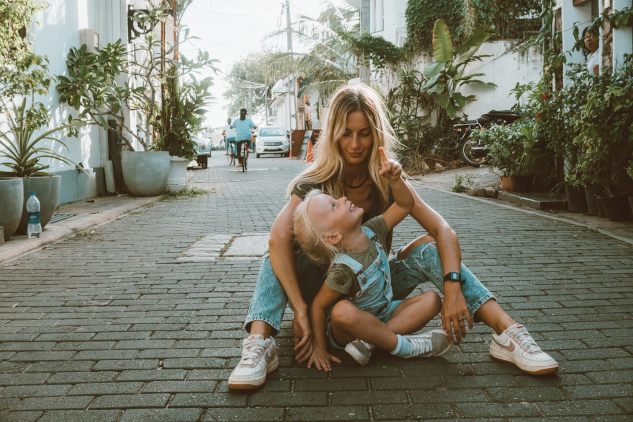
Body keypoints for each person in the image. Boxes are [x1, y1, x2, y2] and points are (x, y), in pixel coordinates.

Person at [227, 84, 558, 391]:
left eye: (364, 134)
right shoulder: (315, 184)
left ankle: (508, 333)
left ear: (376, 135)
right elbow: (275, 240)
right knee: (276, 251)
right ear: (333, 136)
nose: (355, 144)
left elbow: (443, 230)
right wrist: (300, 309)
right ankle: (260, 344)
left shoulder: (388, 179)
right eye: (346, 134)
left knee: (429, 248)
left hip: (373, 287)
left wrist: (452, 287)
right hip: (323, 294)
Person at [294, 147, 451, 371]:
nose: (343, 198)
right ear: (334, 236)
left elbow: (405, 205)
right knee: (341, 311)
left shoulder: (373, 229)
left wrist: (395, 181)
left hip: (385, 313)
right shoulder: (343, 268)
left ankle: (371, 342)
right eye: (334, 205)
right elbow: (319, 307)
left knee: (432, 300)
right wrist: (320, 346)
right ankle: (404, 346)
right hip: (348, 330)